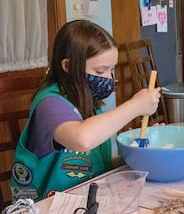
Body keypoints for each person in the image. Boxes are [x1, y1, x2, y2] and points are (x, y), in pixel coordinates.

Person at [11, 20, 161, 202]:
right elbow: (82, 140)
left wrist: (133, 152)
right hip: (43, 212)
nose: (109, 78)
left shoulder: (89, 107)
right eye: (100, 71)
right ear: (67, 67)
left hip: (82, 203)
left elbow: (95, 164)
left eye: (111, 70)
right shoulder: (49, 105)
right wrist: (135, 106)